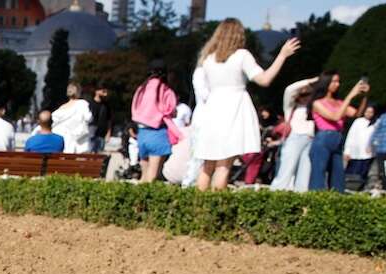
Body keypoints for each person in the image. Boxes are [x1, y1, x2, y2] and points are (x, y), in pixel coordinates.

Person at [192, 18, 300, 190]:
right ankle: (215, 208)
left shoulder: (208, 59)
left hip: (212, 108)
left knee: (207, 165)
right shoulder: (242, 56)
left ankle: (197, 208)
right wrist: (282, 55)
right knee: (224, 165)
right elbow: (264, 80)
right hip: (234, 107)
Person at [308, 71, 369, 191]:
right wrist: (350, 96)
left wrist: (365, 96)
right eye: (334, 81)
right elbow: (335, 116)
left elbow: (357, 114)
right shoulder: (317, 103)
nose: (337, 84)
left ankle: (337, 201)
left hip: (337, 138)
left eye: (338, 81)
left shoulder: (339, 103)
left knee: (338, 176)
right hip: (324, 138)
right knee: (318, 175)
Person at [130, 62, 177, 183]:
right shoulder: (165, 90)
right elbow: (170, 110)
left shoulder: (142, 89)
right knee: (153, 174)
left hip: (142, 133)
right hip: (158, 132)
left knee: (144, 175)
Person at [270, 76, 319, 191]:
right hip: (294, 137)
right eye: (303, 94)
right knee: (286, 170)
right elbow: (289, 90)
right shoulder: (291, 107)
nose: (305, 97)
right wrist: (310, 81)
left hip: (311, 139)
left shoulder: (314, 108)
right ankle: (276, 193)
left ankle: (300, 198)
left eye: (308, 94)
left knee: (305, 174)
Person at [51, 82, 92, 153]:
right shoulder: (82, 104)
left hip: (61, 145)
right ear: (79, 92)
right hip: (78, 144)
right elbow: (89, 118)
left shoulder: (60, 109)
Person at [343, 104, 378, 185]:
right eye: (367, 112)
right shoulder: (358, 121)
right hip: (355, 153)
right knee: (351, 174)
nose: (369, 114)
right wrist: (347, 151)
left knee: (363, 174)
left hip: (367, 154)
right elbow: (351, 136)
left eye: (371, 112)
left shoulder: (376, 124)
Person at [87, 85, 112, 152]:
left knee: (99, 155)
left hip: (102, 134)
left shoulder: (106, 105)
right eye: (102, 90)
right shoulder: (90, 103)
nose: (105, 92)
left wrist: (108, 133)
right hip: (91, 132)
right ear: (96, 91)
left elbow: (109, 119)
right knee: (90, 153)